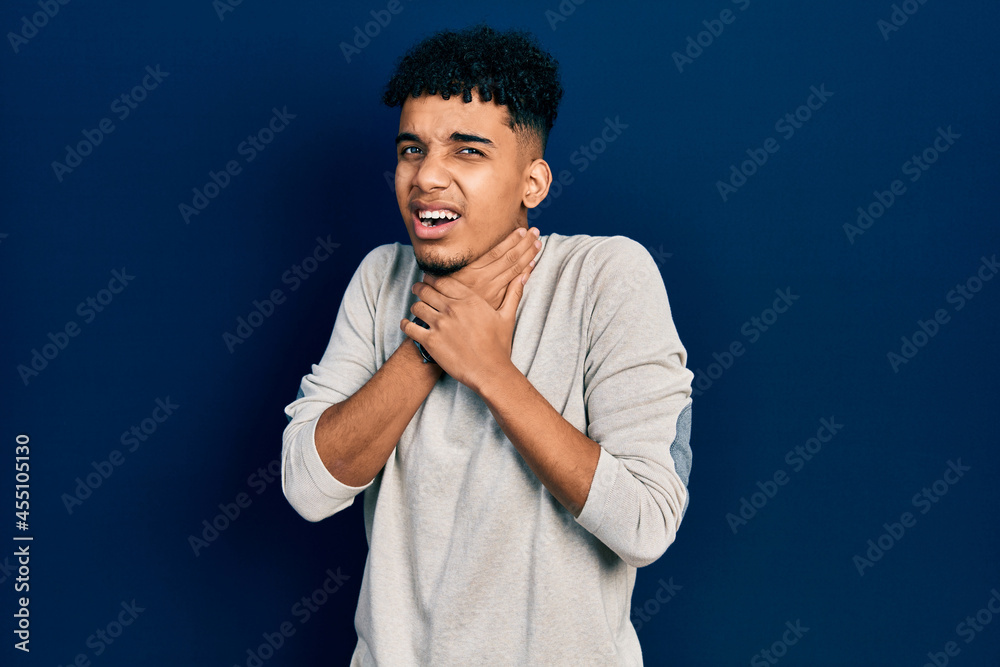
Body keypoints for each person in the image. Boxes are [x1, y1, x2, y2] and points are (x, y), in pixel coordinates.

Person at [281, 24, 693, 666]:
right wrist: (428, 348)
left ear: (533, 183)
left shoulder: (607, 275)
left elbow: (645, 522)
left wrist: (491, 371)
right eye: (411, 150)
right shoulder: (380, 279)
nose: (427, 178)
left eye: (467, 151)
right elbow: (309, 487)